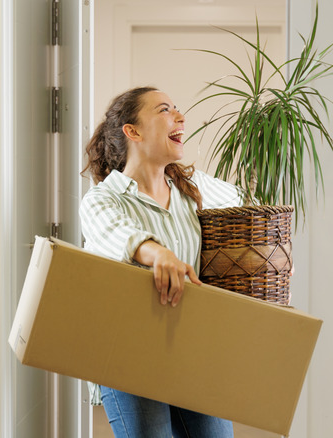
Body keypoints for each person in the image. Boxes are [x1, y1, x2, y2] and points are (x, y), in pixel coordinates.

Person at [79, 86, 243, 438]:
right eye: (165, 110)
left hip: (189, 351)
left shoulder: (192, 188)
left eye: (177, 110)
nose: (180, 117)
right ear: (133, 131)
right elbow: (117, 234)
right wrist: (158, 253)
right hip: (127, 357)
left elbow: (251, 209)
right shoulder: (102, 199)